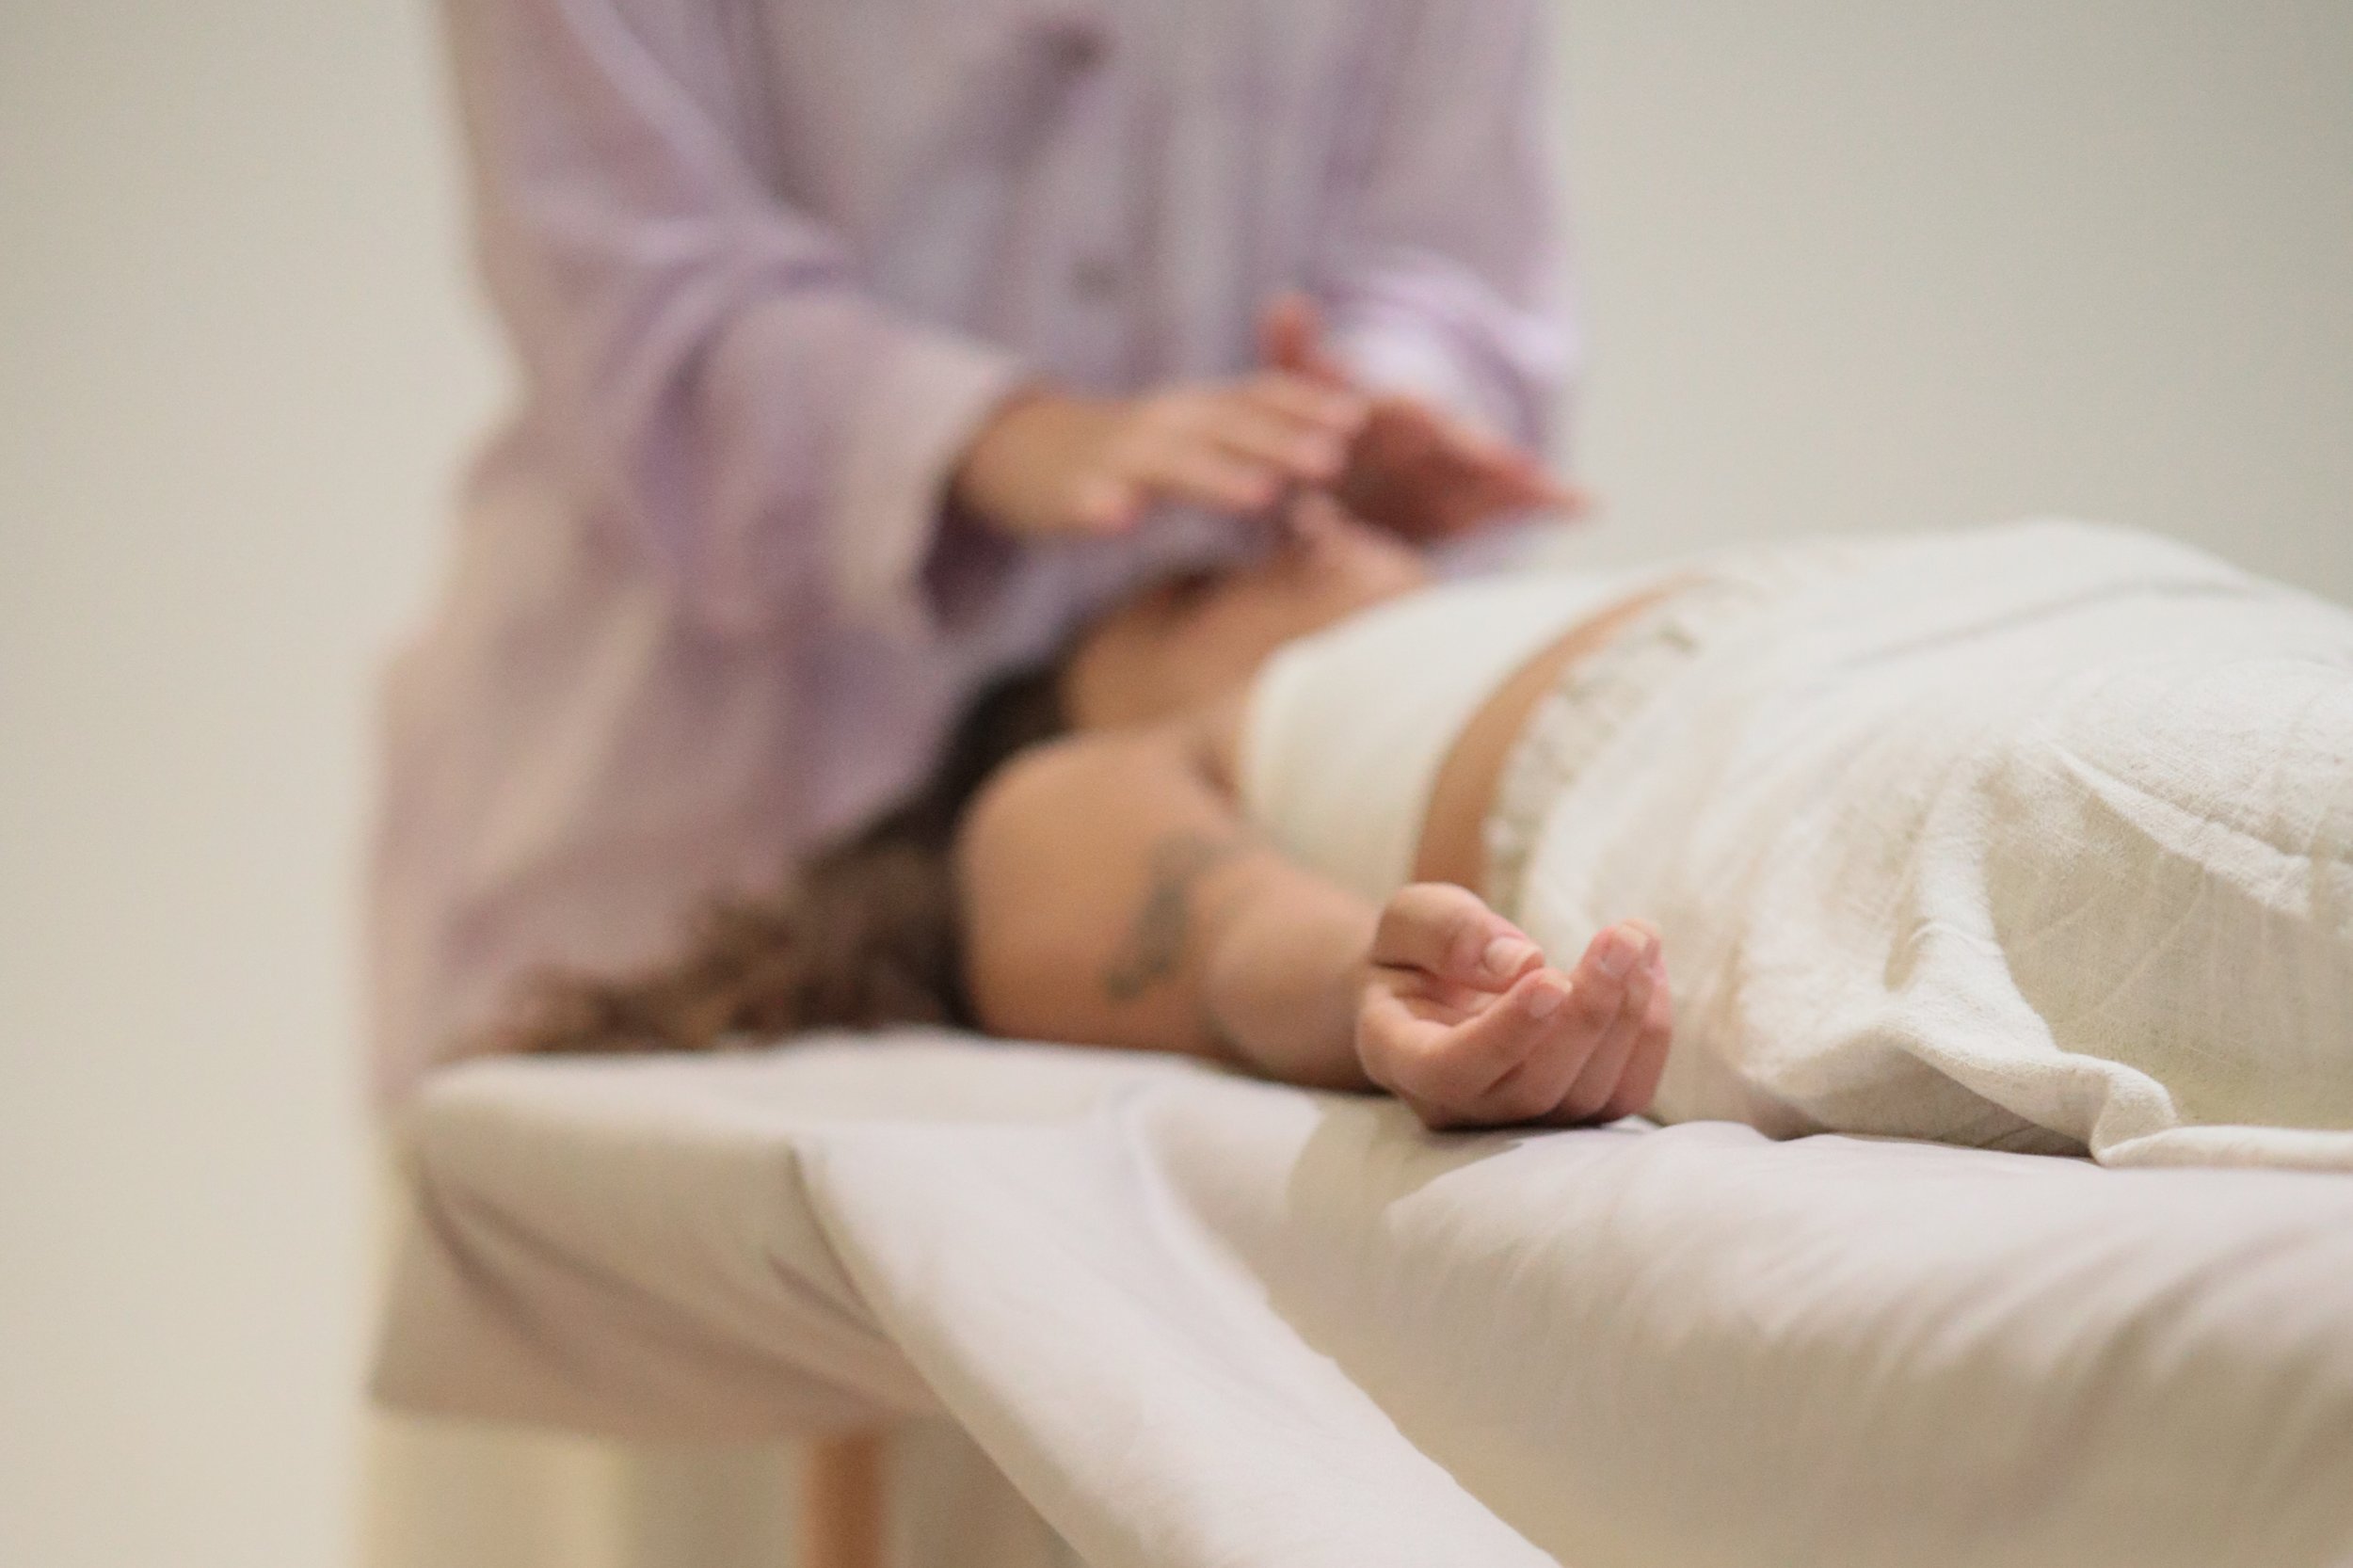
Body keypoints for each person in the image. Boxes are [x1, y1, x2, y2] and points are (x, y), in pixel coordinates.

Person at [371, 0, 1578, 1101]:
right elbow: (627, 281)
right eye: (1189, 599)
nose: (1301, 544)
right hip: (678, 800)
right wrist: (987, 437)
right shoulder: (1087, 829)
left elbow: (1455, 257)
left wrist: (1374, 401)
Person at [507, 499, 2353, 1170]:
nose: (1291, 517)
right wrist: (1392, 1007)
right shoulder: (1066, 779)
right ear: (1103, 694)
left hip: (2138, 620)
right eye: (1186, 580)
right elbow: (1222, 938)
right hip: (1843, 742)